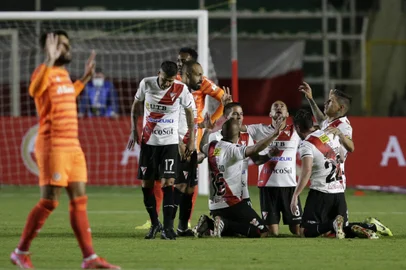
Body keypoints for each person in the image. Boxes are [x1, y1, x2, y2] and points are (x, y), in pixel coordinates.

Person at [10, 31, 120, 269]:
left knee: (79, 200)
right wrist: (48, 60)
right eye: (63, 45)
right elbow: (34, 91)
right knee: (49, 202)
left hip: (73, 146)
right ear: (50, 49)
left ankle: (89, 257)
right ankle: (20, 252)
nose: (68, 48)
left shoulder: (63, 75)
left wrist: (84, 79)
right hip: (53, 145)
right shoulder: (44, 71)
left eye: (68, 44)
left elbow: (68, 95)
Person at [136, 47, 227, 230]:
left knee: (187, 182)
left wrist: (208, 123)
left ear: (191, 63)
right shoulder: (171, 82)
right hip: (171, 137)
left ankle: (183, 222)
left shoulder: (201, 82)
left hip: (192, 136)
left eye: (183, 61)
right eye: (178, 61)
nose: (179, 64)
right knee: (163, 179)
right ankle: (159, 220)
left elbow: (224, 100)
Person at [299, 82, 393, 237]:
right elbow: (322, 120)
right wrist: (310, 99)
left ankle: (368, 226)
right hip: (336, 186)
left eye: (331, 102)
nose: (326, 103)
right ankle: (370, 226)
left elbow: (351, 147)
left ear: (340, 108)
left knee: (310, 230)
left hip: (327, 184)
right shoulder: (330, 122)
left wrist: (341, 136)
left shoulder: (343, 126)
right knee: (337, 229)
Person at [127, 61, 195, 240]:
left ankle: (168, 227)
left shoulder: (181, 89)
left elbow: (189, 113)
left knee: (168, 183)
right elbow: (135, 105)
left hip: (170, 143)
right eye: (165, 80)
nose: (167, 84)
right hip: (149, 143)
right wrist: (134, 131)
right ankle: (155, 223)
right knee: (146, 185)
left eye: (170, 81)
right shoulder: (146, 83)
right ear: (158, 73)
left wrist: (191, 140)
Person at [198, 117, 285, 238]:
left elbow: (202, 146)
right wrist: (274, 135)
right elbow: (255, 148)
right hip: (232, 203)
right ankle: (224, 223)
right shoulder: (234, 150)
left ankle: (210, 224)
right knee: (262, 232)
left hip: (214, 205)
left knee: (236, 232)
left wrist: (207, 130)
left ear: (222, 133)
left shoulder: (212, 147)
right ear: (239, 135)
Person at [241, 101, 303, 236]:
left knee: (297, 230)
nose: (279, 108)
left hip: (289, 186)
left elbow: (316, 128)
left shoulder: (296, 131)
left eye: (282, 106)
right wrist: (229, 113)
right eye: (275, 107)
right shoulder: (259, 129)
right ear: (270, 114)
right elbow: (237, 128)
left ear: (287, 114)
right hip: (268, 186)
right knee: (272, 232)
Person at [290, 109, 349, 238]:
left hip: (321, 193)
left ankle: (333, 224)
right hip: (339, 193)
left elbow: (306, 171)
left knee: (305, 231)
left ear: (298, 127)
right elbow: (342, 157)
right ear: (312, 123)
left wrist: (295, 195)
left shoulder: (306, 144)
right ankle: (370, 226)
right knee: (340, 231)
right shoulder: (330, 134)